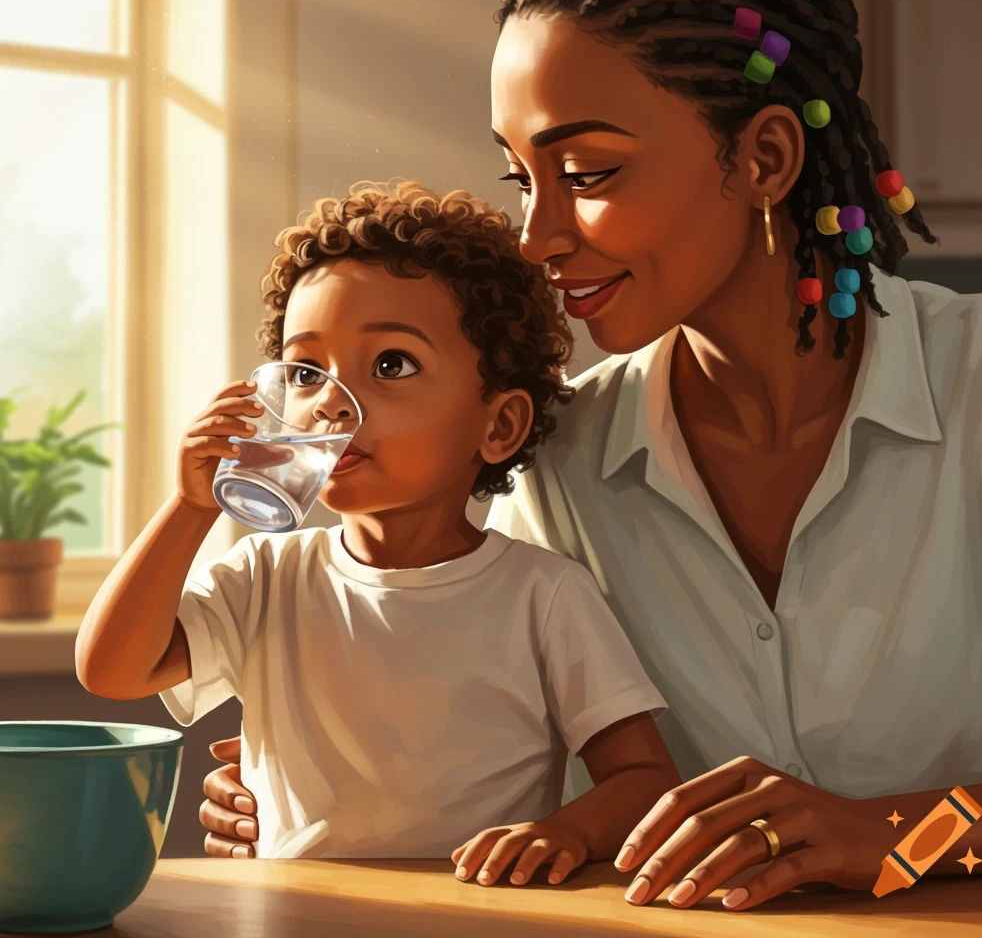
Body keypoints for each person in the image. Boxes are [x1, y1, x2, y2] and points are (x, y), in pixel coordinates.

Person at [199, 0, 982, 912]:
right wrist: (303, 778)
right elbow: (471, 737)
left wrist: (893, 836)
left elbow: (901, 842)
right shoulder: (549, 462)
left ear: (762, 158)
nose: (537, 237)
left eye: (586, 173)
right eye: (521, 179)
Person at [75, 180, 681, 881]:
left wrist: (565, 831)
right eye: (306, 372)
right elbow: (112, 671)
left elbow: (643, 778)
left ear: (499, 425)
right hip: (294, 915)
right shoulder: (266, 577)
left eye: (390, 364)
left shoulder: (542, 595)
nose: (333, 403)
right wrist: (189, 508)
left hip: (476, 915)